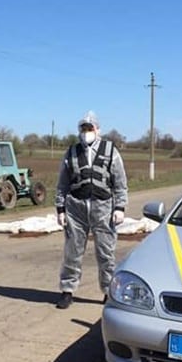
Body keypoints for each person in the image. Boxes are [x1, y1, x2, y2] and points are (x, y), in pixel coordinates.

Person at [54, 111, 128, 309]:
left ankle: (107, 291)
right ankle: (67, 290)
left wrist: (120, 206)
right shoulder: (71, 152)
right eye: (83, 129)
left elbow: (120, 182)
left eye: (90, 128)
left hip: (103, 207)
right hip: (76, 207)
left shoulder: (110, 151)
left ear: (98, 130)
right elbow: (62, 183)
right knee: (72, 251)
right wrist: (60, 208)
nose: (86, 132)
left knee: (106, 252)